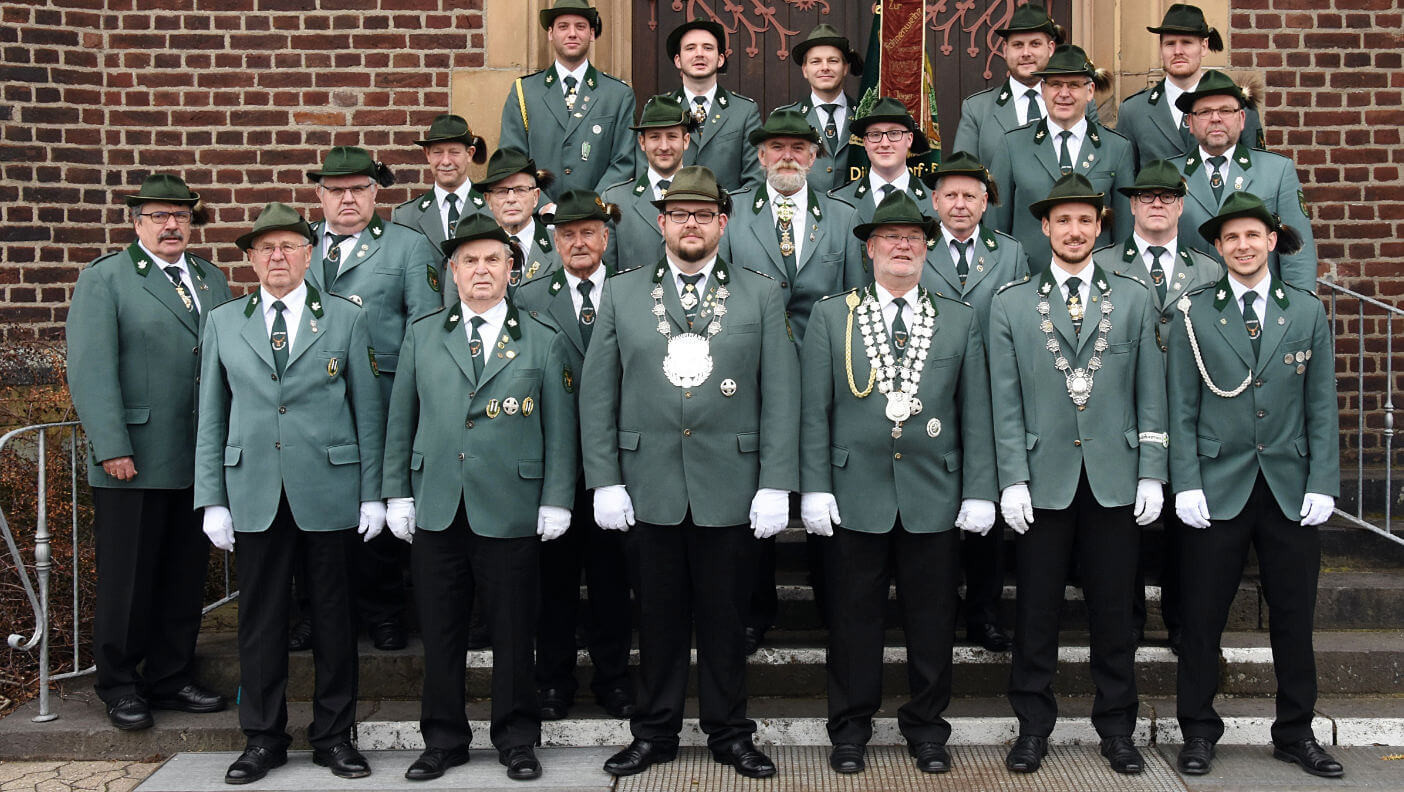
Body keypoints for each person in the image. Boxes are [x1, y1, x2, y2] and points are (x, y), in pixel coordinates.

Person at [581, 166, 799, 780]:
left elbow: (782, 394)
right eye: (679, 215)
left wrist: (776, 482)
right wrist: (605, 479)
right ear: (662, 223)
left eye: (703, 215)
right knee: (657, 619)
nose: (691, 225)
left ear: (722, 224)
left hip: (731, 484)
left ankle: (730, 733)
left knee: (726, 620)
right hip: (648, 483)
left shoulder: (760, 293)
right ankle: (654, 732)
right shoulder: (622, 293)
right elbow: (598, 393)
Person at [800, 191, 997, 776]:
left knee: (933, 621)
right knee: (852, 619)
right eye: (890, 237)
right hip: (853, 492)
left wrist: (979, 489)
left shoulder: (958, 318)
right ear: (870, 249)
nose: (902, 246)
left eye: (913, 237)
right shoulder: (832, 317)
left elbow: (975, 412)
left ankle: (927, 729)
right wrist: (814, 487)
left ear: (927, 248)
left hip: (933, 494)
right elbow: (813, 411)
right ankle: (850, 730)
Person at [383, 212, 579, 783]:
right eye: (469, 260)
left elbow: (560, 429)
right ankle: (443, 740)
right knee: (441, 632)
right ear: (453, 270)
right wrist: (396, 493)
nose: (481, 270)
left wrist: (557, 498)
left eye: (493, 259)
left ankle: (516, 738)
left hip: (511, 505)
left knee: (514, 631)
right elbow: (401, 420)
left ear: (512, 268)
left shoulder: (542, 337)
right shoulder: (423, 333)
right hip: (438, 504)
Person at [195, 202, 384, 785]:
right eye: (266, 248)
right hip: (254, 491)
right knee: (260, 622)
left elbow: (368, 412)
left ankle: (335, 737)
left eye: (289, 247)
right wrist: (212, 498)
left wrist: (374, 494)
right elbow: (211, 415)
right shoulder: (225, 321)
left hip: (330, 489)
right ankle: (262, 738)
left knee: (334, 619)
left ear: (310, 255)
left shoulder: (346, 318)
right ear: (251, 259)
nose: (278, 257)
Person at [988, 174, 1167, 776]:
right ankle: (1032, 727)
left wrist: (1152, 471)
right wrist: (1011, 476)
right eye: (1062, 221)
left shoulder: (1134, 297)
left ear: (1100, 226)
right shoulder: (1012, 302)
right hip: (1043, 478)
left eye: (1085, 220)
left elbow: (1151, 392)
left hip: (1115, 477)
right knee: (1035, 612)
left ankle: (1117, 729)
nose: (1074, 231)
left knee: (1114, 613)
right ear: (1044, 227)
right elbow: (1005, 399)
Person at [1168, 191, 1341, 779]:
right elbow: (1181, 405)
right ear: (1218, 248)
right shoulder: (1194, 312)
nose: (1243, 246)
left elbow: (1320, 403)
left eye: (1252, 235)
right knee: (1201, 617)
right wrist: (1185, 483)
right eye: (1231, 238)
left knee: (1294, 617)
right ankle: (1197, 730)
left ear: (1272, 241)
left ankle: (1295, 732)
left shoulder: (1306, 311)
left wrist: (1323, 481)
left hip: (1289, 486)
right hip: (1217, 484)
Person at [66, 173, 231, 731]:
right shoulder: (106, 278)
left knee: (184, 574)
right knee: (128, 578)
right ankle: (119, 684)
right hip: (132, 457)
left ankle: (171, 676)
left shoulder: (210, 278)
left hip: (196, 455)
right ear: (137, 223)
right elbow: (91, 368)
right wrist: (111, 444)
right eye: (159, 216)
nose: (171, 225)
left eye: (180, 215)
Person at [721, 107, 863, 653]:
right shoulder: (733, 212)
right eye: (777, 147)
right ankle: (754, 610)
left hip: (825, 371)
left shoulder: (843, 217)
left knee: (826, 485)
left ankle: (833, 605)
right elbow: (725, 291)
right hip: (751, 371)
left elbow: (854, 300)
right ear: (760, 156)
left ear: (815, 157)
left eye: (798, 148)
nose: (787, 156)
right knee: (755, 484)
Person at [302, 145, 441, 652]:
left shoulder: (407, 247)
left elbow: (425, 330)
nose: (347, 199)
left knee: (378, 499)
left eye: (358, 189)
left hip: (381, 396)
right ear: (319, 195)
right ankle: (313, 612)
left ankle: (384, 613)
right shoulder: (296, 244)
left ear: (375, 192)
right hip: (311, 400)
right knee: (313, 504)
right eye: (336, 190)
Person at [515, 190, 635, 723]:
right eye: (567, 234)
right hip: (553, 462)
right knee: (552, 582)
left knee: (613, 580)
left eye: (588, 232)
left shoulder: (633, 292)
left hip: (619, 462)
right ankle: (552, 681)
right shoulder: (528, 298)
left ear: (605, 237)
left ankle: (614, 680)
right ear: (554, 241)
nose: (579, 242)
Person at [1093, 158, 1222, 652]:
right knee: (1125, 521)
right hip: (1123, 408)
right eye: (1146, 196)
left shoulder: (1208, 268)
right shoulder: (1104, 263)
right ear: (1131, 206)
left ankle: (1181, 619)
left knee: (1186, 519)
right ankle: (1127, 618)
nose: (1156, 204)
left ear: (1181, 205)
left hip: (1188, 407)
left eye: (1167, 197)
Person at [921, 152, 1031, 653]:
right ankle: (939, 610)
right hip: (932, 394)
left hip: (990, 392)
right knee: (940, 506)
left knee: (986, 504)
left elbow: (1024, 319)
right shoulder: (917, 248)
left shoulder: (1009, 252)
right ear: (935, 201)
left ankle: (984, 614)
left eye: (970, 195)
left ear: (985, 203)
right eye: (951, 195)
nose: (960, 204)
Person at [987, 44, 1133, 269]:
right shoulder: (1012, 145)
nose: (1064, 94)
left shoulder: (1117, 147)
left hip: (1098, 280)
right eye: (1055, 84)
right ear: (1043, 89)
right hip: (1030, 278)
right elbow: (996, 227)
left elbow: (1124, 231)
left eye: (1074, 85)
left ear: (1090, 91)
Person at [1173, 70, 1317, 288]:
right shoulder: (1169, 174)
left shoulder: (1277, 171)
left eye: (1225, 110)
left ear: (1241, 119)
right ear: (1190, 123)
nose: (1215, 118)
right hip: (1189, 301)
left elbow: (1297, 256)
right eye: (1205, 112)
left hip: (1260, 302)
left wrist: (1299, 304)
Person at [498, 0, 636, 202]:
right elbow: (511, 159)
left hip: (595, 216)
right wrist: (542, 206)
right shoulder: (524, 92)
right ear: (550, 33)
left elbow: (624, 162)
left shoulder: (617, 94)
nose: (572, 33)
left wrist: (590, 207)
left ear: (591, 34)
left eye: (580, 26)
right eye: (563, 26)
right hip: (538, 216)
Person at [1115, 3, 1264, 168]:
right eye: (1170, 44)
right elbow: (1125, 176)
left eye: (1186, 43)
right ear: (1161, 48)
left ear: (1204, 46)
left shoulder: (1238, 104)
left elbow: (1256, 171)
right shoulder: (1134, 110)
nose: (1178, 51)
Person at [952, 3, 1097, 171]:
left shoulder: (1081, 103)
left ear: (1050, 48)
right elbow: (962, 174)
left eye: (1035, 44)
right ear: (1005, 50)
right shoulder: (978, 109)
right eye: (1018, 45)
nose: (1026, 53)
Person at [662, 16, 762, 193]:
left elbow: (755, 180)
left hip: (729, 209)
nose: (699, 54)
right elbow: (648, 173)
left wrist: (725, 210)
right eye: (690, 48)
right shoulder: (660, 108)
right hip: (672, 208)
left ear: (720, 59)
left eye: (708, 48)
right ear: (678, 60)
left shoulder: (744, 111)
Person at [601, 95, 695, 275]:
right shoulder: (615, 199)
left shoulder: (709, 197)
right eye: (655, 137)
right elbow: (607, 274)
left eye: (672, 136)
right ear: (642, 142)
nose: (664, 146)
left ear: (686, 141)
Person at [773, 23, 864, 192]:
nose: (825, 67)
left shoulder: (865, 115)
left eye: (833, 61)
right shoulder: (784, 118)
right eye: (816, 61)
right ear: (805, 70)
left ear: (845, 68)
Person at [829, 96, 936, 227]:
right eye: (875, 135)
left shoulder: (936, 201)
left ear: (909, 139)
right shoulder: (839, 201)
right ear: (865, 142)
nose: (885, 143)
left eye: (894, 133)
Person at [392, 113, 488, 251]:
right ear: (427, 154)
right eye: (438, 152)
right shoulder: (406, 217)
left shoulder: (492, 207)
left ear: (470, 154)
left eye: (454, 152)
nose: (446, 161)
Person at [480, 147, 562, 292]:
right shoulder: (471, 250)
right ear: (488, 200)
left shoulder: (560, 248)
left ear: (536, 197)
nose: (511, 199)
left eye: (520, 190)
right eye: (501, 191)